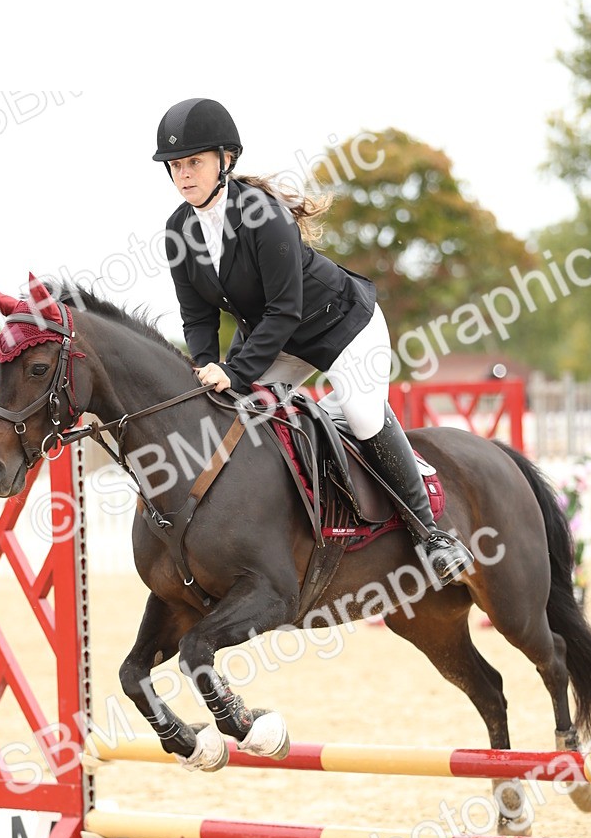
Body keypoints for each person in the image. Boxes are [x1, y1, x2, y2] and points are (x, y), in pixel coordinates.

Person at [153, 97, 473, 586]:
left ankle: (430, 534)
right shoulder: (178, 229)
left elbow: (286, 308)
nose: (184, 175)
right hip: (275, 340)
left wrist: (235, 371)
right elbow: (196, 316)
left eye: (194, 162)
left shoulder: (262, 213)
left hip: (343, 327)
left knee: (363, 413)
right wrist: (204, 368)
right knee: (231, 415)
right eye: (175, 166)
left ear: (226, 160)